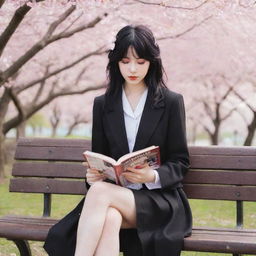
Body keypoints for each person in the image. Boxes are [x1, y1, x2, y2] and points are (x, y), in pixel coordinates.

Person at [43, 24, 192, 256]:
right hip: (115, 196)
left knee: (101, 194)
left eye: (140, 62)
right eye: (125, 61)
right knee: (110, 216)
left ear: (152, 62)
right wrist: (93, 176)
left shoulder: (171, 102)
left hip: (160, 200)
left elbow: (180, 161)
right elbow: (100, 157)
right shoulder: (103, 104)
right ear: (116, 63)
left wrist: (151, 175)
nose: (132, 68)